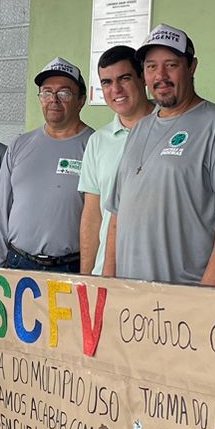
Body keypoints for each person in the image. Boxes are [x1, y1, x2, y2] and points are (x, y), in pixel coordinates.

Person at [102, 25, 215, 287]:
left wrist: (207, 290)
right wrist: (107, 283)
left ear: (191, 67)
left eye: (171, 65)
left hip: (185, 301)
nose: (160, 76)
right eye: (151, 67)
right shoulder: (140, 129)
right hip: (129, 299)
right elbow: (118, 214)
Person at [0, 58, 93, 272]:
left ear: (81, 100)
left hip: (70, 268)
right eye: (46, 92)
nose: (54, 100)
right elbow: (0, 210)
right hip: (18, 264)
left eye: (64, 93)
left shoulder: (95, 145)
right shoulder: (20, 144)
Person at [78, 45, 153, 275]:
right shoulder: (98, 141)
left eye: (124, 78)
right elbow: (92, 217)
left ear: (143, 78)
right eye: (107, 82)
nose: (116, 89)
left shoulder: (172, 131)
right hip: (108, 276)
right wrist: (87, 277)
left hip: (160, 277)